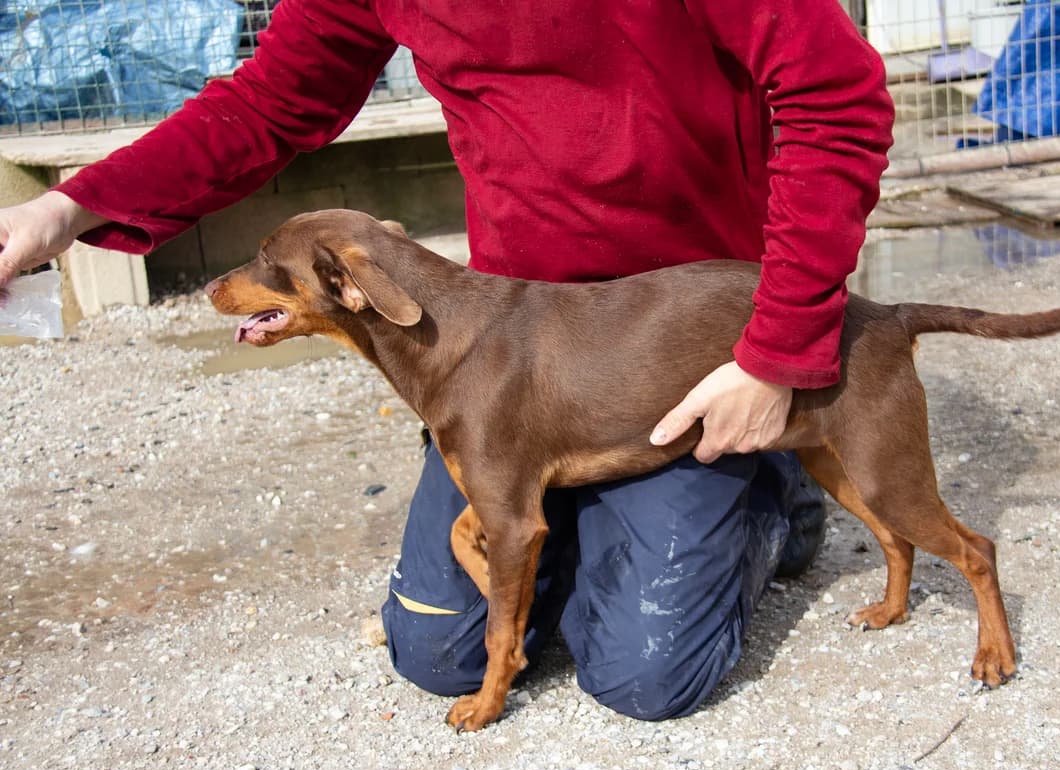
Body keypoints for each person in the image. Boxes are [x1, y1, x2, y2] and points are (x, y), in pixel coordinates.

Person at [0, 1, 893, 720]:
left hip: (689, 341)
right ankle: (595, 511)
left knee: (642, 675)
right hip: (513, 346)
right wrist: (68, 211)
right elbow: (264, 104)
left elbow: (836, 95)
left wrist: (777, 351)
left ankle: (777, 493)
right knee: (438, 656)